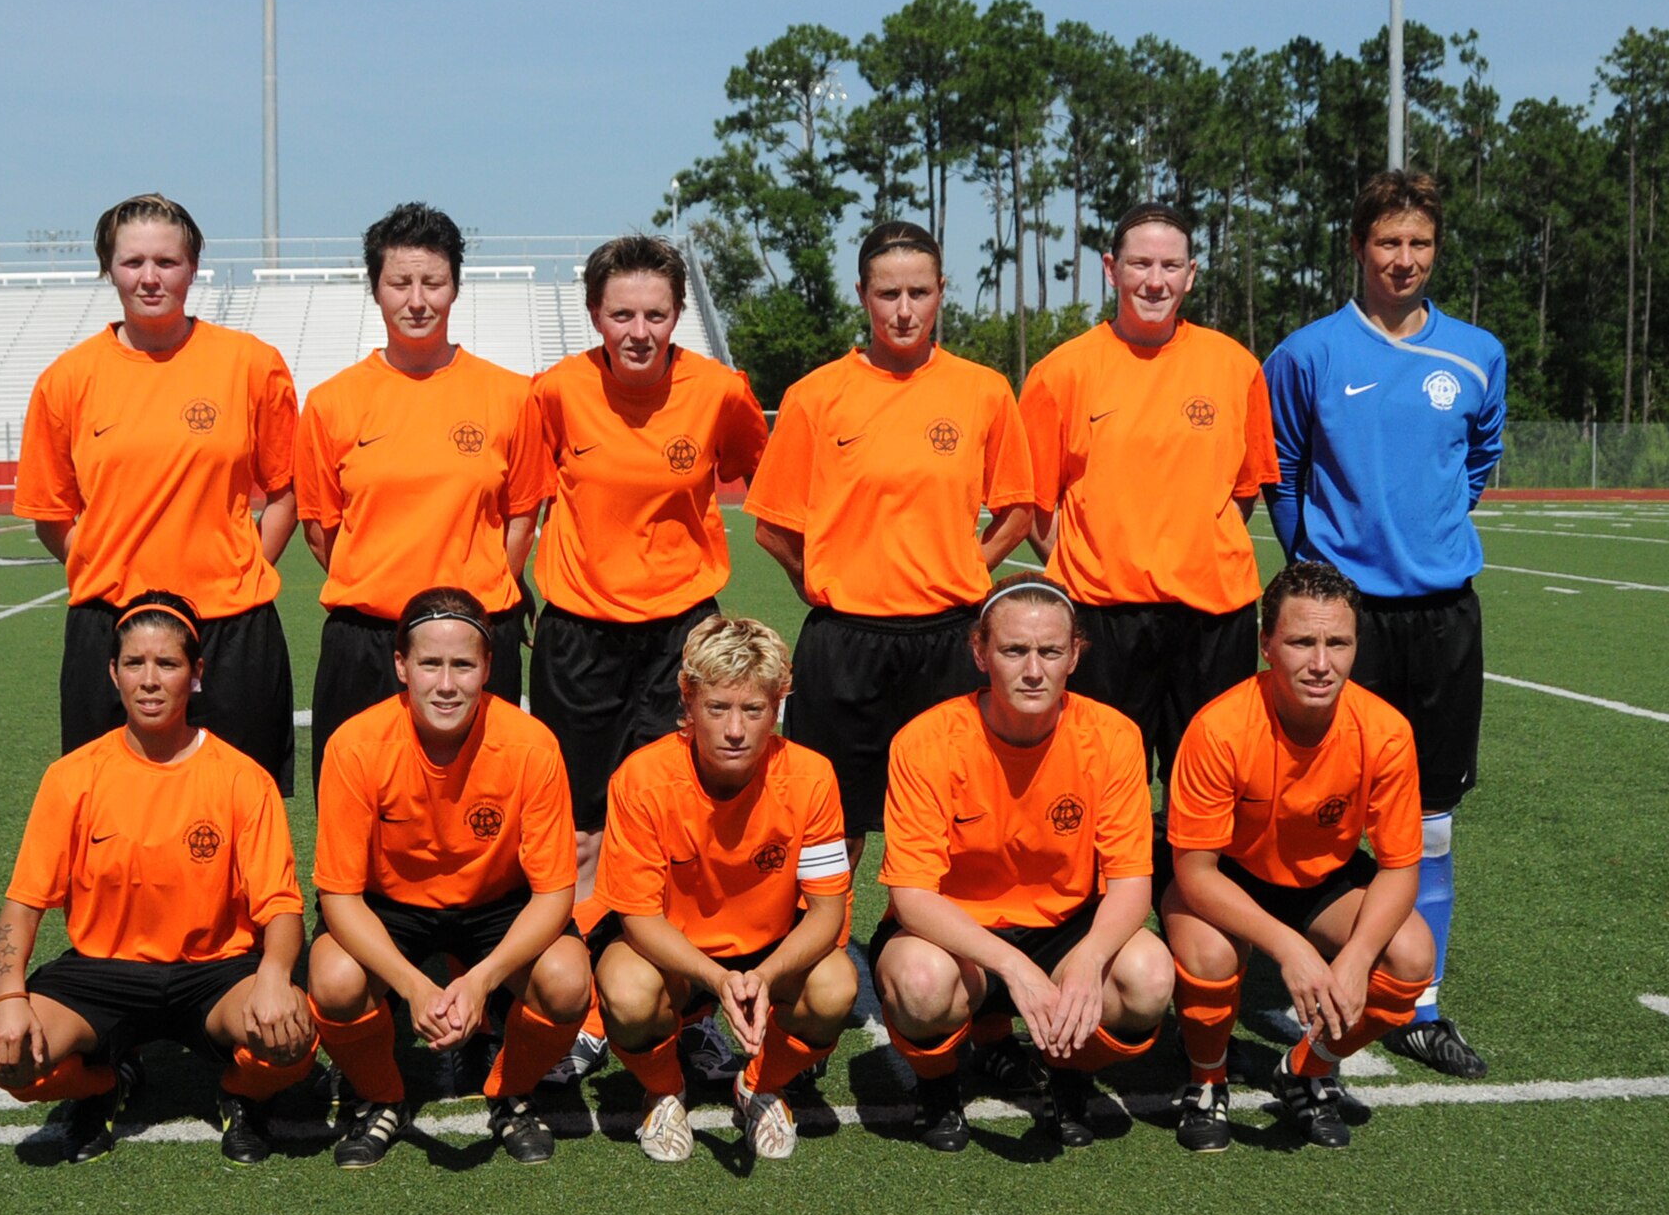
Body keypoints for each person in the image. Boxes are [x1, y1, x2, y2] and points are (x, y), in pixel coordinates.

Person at [1262, 170, 1505, 1078]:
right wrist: (1319, 570)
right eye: (1389, 241)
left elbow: (1478, 460)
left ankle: (1420, 1003)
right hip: (1344, 620)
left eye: (1420, 244)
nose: (1405, 259)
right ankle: (1301, 974)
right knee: (1312, 806)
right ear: (1359, 246)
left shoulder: (1476, 353)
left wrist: (1424, 537)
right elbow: (1282, 471)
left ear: (1437, 250)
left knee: (1429, 819)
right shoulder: (1307, 354)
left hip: (1442, 617)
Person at [527, 234, 770, 1089]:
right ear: (595, 313)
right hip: (578, 637)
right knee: (582, 834)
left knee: (677, 831)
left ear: (678, 315)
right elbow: (524, 494)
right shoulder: (555, 391)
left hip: (682, 638)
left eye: (656, 314)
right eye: (622, 313)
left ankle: (687, 1014)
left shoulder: (719, 391)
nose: (639, 330)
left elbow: (755, 470)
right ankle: (585, 1011)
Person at [0, 592, 316, 1165]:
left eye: (168, 663)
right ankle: (103, 1085)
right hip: (103, 971)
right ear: (114, 673)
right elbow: (23, 904)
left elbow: (281, 906)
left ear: (196, 673)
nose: (151, 680)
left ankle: (240, 1094)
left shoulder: (243, 778)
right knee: (12, 1062)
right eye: (135, 663)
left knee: (293, 1038)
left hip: (214, 972)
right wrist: (8, 996)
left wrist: (275, 976)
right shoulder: (72, 777)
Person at [745, 220, 1035, 876]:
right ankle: (825, 938)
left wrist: (964, 569)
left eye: (919, 293)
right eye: (888, 294)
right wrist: (819, 580)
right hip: (844, 644)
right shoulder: (815, 396)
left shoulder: (983, 390)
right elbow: (773, 527)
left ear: (941, 292)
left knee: (952, 824)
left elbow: (1018, 511)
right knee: (832, 827)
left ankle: (927, 940)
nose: (904, 311)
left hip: (950, 640)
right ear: (862, 295)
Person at [872, 573, 1171, 1153]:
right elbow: (912, 897)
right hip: (956, 937)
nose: (1033, 670)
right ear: (980, 653)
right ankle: (938, 1085)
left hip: (1065, 928)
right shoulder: (926, 741)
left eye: (1050, 651)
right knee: (921, 985)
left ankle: (1068, 1071)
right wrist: (1015, 967)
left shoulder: (1113, 736)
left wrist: (1089, 958)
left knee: (1149, 978)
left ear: (1074, 656)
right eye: (1014, 650)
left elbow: (1132, 882)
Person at [15, 193, 299, 793]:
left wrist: (246, 568)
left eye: (167, 262)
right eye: (133, 262)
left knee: (240, 804)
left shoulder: (252, 365)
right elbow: (50, 513)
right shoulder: (66, 380)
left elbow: (285, 491)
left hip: (230, 627)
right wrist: (103, 566)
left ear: (192, 268)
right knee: (109, 806)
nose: (150, 278)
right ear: (109, 269)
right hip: (111, 624)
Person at [306, 587, 591, 1167]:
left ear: (487, 667)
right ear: (401, 666)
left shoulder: (531, 745)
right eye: (429, 663)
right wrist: (415, 986)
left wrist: (482, 980)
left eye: (462, 665)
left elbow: (554, 893)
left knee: (566, 983)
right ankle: (381, 1096)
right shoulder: (355, 746)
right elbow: (339, 894)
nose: (445, 684)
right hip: (391, 905)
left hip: (496, 902)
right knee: (333, 980)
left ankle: (510, 1092)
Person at [1018, 200, 1277, 825]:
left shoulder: (1235, 366)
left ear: (1191, 274)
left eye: (1170, 266)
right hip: (1103, 619)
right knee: (1104, 788)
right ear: (1111, 269)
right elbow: (1034, 504)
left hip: (1213, 616)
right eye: (1140, 264)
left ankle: (1198, 891)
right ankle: (1116, 890)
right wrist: (1092, 563)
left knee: (1212, 789)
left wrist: (1190, 548)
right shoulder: (1061, 372)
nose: (1155, 281)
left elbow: (1243, 492)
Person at [1164, 562, 1436, 1150]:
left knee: (1411, 956)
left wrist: (1355, 959)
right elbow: (1194, 871)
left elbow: (1399, 865)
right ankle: (1206, 1079)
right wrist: (1289, 949)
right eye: (1301, 642)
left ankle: (1306, 1071)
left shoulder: (1385, 731)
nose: (1320, 663)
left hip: (1321, 877)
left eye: (1338, 643)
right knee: (1211, 955)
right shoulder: (1220, 728)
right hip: (1229, 876)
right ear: (1266, 645)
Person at [295, 203, 550, 792]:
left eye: (432, 282)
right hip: (366, 643)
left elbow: (520, 518)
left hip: (476, 633)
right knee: (360, 807)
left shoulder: (511, 396)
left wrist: (470, 605)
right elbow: (321, 531)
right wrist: (382, 585)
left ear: (455, 287)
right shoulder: (331, 403)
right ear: (376, 289)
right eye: (400, 283)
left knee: (481, 804)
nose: (417, 300)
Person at [591, 616, 853, 1162]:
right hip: (672, 949)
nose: (735, 730)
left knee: (835, 986)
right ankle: (664, 1091)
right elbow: (637, 916)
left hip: (768, 948)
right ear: (688, 701)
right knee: (627, 990)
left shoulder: (812, 776)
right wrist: (716, 979)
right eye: (718, 708)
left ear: (778, 706)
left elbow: (827, 912)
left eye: (753, 709)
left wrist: (765, 976)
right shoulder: (642, 778)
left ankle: (760, 1085)